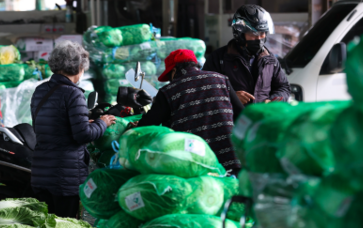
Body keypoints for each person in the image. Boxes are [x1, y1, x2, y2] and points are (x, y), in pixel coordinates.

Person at [30, 41, 116, 218]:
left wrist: (85, 122)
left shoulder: (40, 90)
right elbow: (83, 135)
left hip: (41, 172)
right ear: (78, 67)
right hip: (65, 176)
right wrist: (102, 123)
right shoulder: (73, 93)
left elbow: (51, 126)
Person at [134, 49, 242, 175]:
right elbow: (241, 113)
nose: (170, 80)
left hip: (194, 163)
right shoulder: (221, 79)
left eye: (169, 76)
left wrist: (136, 128)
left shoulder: (168, 91)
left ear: (174, 71)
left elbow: (148, 125)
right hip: (229, 158)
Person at [203, 4, 291, 105]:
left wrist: (273, 100)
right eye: (253, 34)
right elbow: (205, 90)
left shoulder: (270, 60)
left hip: (261, 118)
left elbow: (283, 87)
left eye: (262, 33)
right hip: (231, 119)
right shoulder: (218, 58)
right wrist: (230, 96)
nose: (259, 38)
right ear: (239, 34)